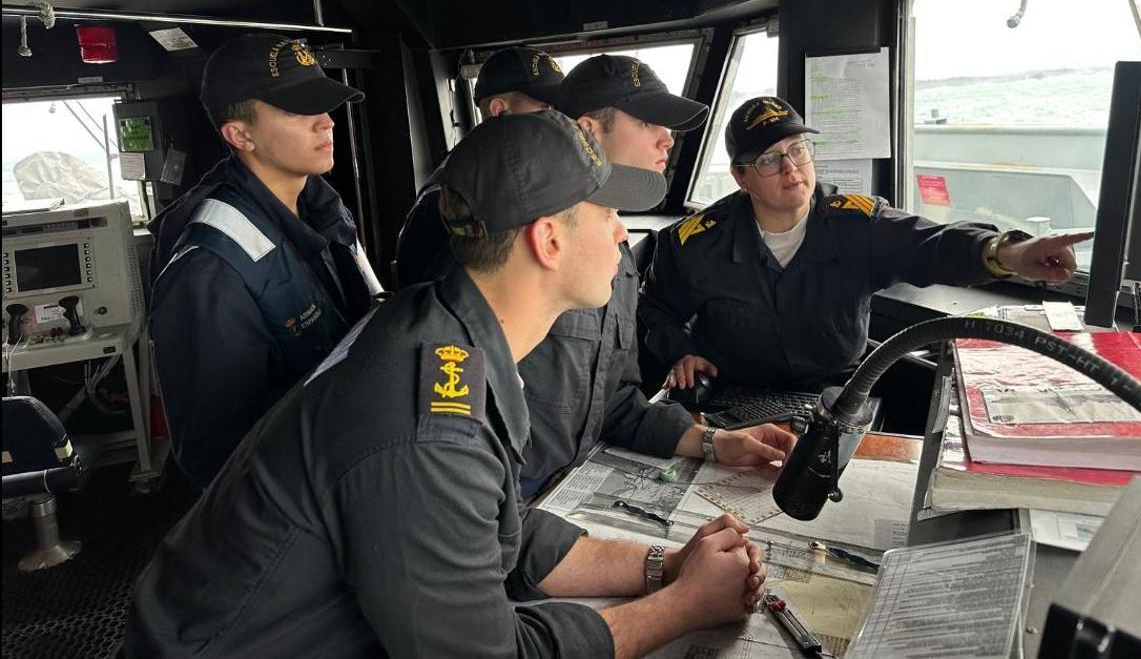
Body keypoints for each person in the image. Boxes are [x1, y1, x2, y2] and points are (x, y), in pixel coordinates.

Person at [124, 111, 768, 659]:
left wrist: (663, 566)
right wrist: (684, 606)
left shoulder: (445, 326)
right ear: (547, 240)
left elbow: (503, 530)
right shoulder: (427, 420)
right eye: (606, 213)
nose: (623, 232)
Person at [397, 54, 796, 498]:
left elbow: (613, 403)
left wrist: (713, 442)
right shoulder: (505, 246)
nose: (668, 139)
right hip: (502, 507)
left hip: (565, 492)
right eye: (649, 121)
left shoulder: (613, 255)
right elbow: (446, 450)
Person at [641, 95, 1093, 392]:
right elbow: (654, 308)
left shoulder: (856, 223)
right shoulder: (696, 243)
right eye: (769, 159)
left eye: (798, 150)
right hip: (734, 396)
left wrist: (1009, 253)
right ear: (740, 177)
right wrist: (679, 351)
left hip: (839, 393)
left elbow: (931, 244)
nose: (791, 168)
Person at [147, 33, 382, 487]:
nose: (326, 123)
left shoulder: (323, 208)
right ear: (240, 135)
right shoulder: (209, 271)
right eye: (298, 110)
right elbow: (218, 457)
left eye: (324, 106)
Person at [393, 45, 563, 288]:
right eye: (545, 110)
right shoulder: (444, 202)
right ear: (499, 111)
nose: (558, 122)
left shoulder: (525, 182)